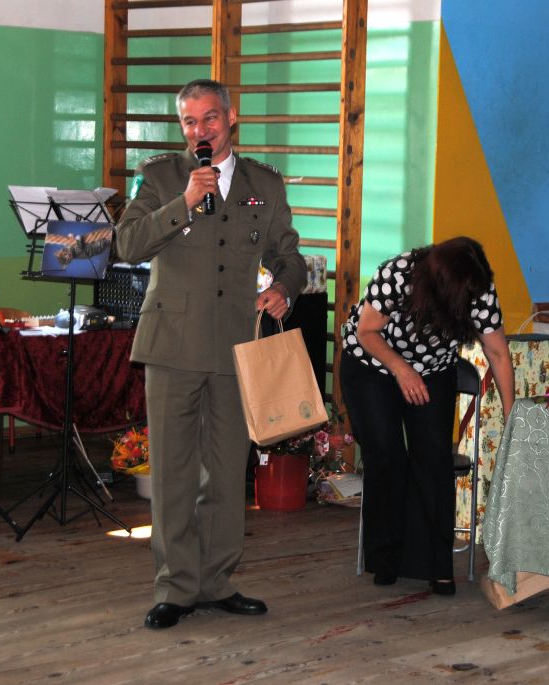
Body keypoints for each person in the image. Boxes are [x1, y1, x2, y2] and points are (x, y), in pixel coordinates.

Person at [114, 79, 307, 629]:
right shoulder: (159, 177)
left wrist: (284, 288)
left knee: (225, 474)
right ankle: (176, 588)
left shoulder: (263, 184)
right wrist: (183, 202)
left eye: (210, 118)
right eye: (190, 122)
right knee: (173, 474)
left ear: (231, 117)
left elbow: (289, 255)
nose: (201, 130)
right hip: (171, 344)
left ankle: (217, 582)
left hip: (233, 346)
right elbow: (128, 243)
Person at [339, 236, 515, 595]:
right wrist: (401, 370)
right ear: (441, 284)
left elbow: (498, 353)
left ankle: (437, 566)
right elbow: (366, 331)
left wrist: (513, 416)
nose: (470, 301)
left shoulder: (477, 289)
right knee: (386, 454)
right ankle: (386, 558)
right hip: (372, 362)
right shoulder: (398, 274)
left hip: (433, 370)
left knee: (434, 459)